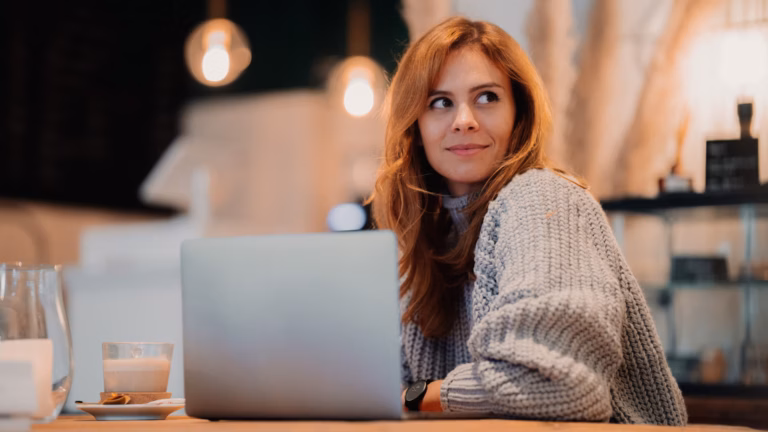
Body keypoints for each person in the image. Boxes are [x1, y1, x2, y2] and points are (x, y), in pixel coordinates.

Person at [370, 16, 687, 425]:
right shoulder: (428, 237)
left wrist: (416, 397)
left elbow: (554, 384)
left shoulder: (542, 200)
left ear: (519, 114)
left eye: (486, 97)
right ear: (414, 125)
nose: (464, 119)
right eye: (440, 102)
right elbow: (382, 384)